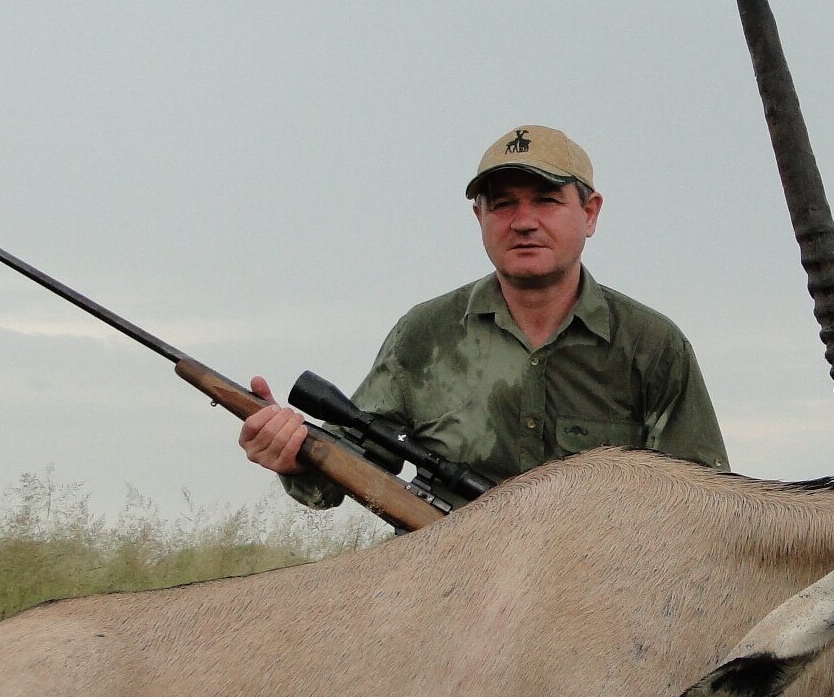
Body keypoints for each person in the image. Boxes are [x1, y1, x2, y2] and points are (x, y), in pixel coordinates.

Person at [239, 125, 728, 511]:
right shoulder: (424, 337)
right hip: (443, 593)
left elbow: (706, 506)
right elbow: (347, 475)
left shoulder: (652, 345)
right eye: (503, 204)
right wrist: (293, 455)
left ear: (591, 213)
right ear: (479, 218)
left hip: (595, 603)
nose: (523, 221)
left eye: (547, 200)